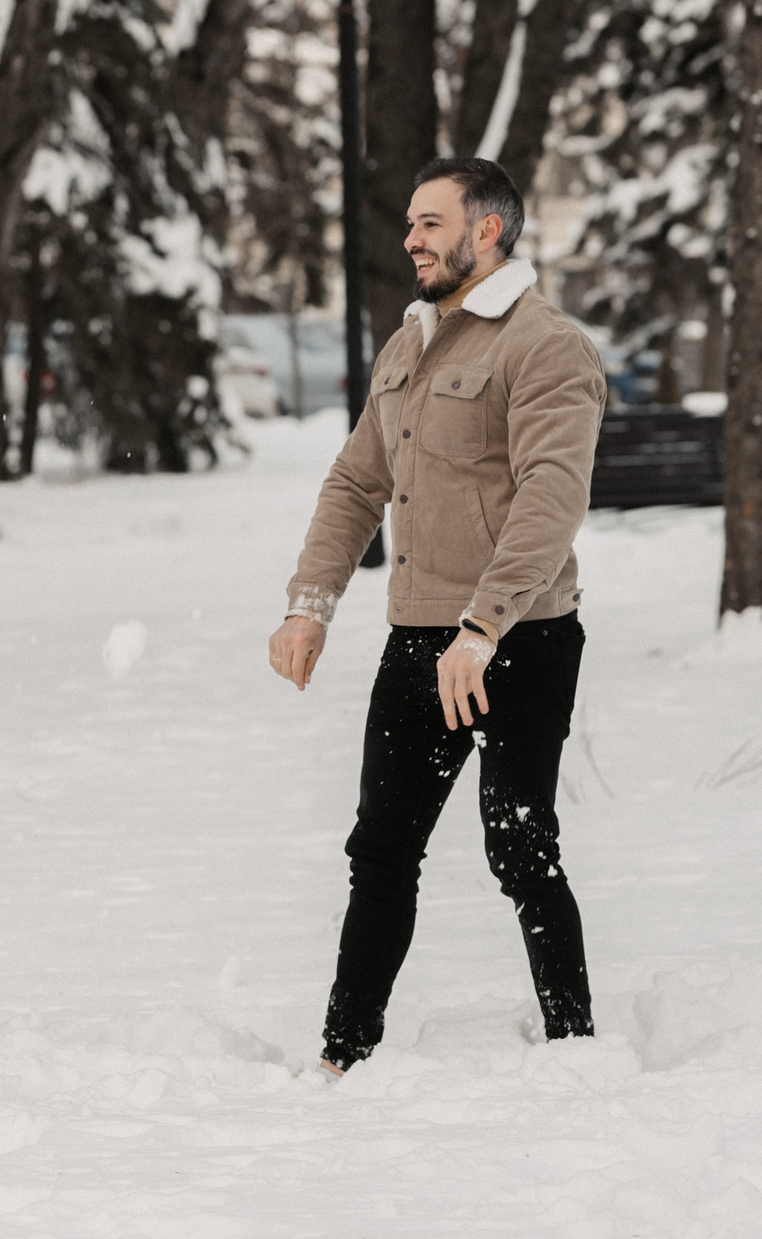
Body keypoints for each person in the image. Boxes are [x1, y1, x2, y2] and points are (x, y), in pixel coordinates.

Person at [266, 158, 607, 1076]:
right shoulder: (408, 344)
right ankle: (344, 1055)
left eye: (430, 222)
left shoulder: (546, 347)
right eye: (410, 223)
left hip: (521, 638)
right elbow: (356, 482)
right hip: (421, 637)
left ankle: (575, 1044)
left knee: (519, 845)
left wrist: (485, 626)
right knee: (381, 847)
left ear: (486, 230)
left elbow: (551, 496)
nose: (411, 238)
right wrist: (311, 604)